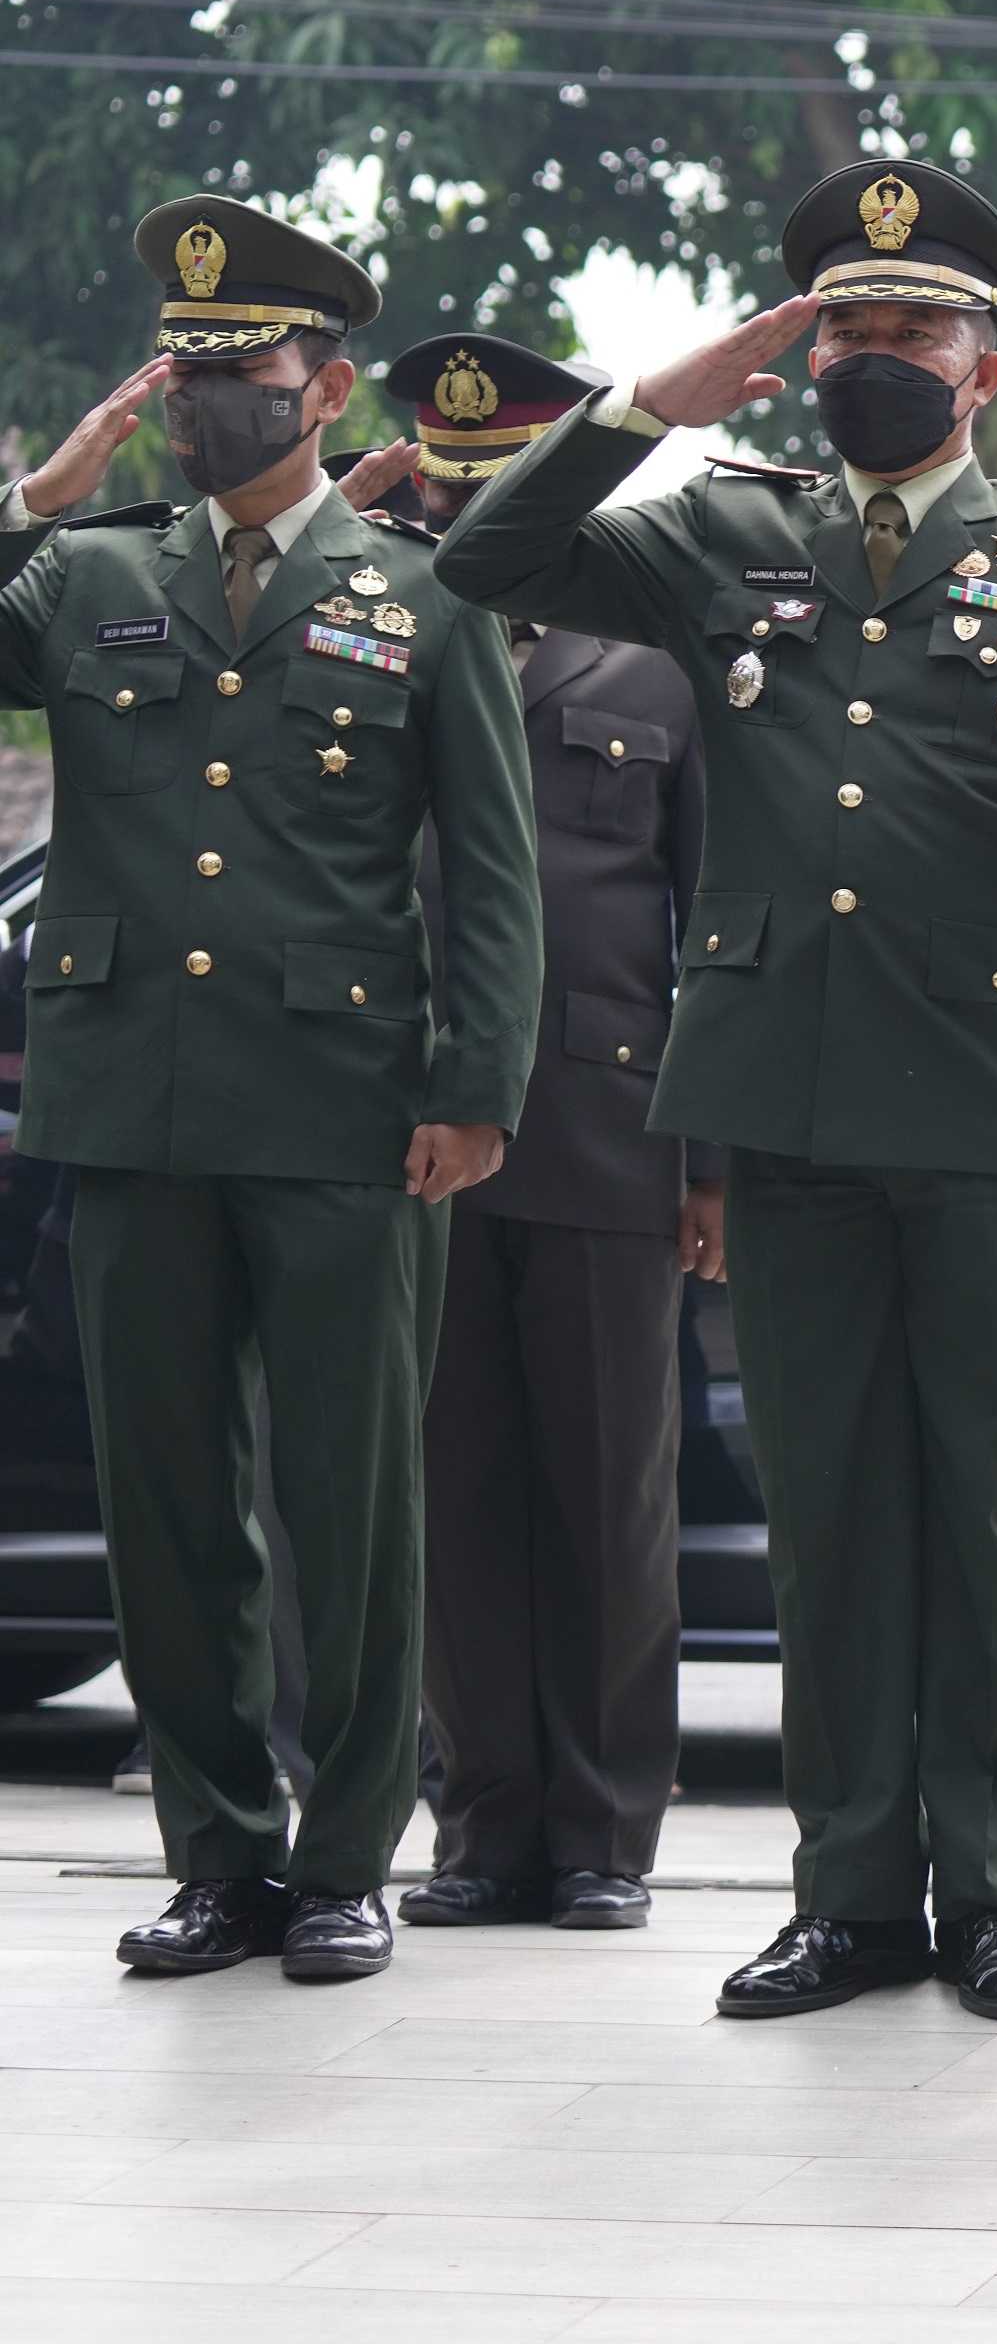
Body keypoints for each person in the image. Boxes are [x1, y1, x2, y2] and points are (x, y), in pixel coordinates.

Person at [434, 157, 997, 2025]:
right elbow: (480, 560)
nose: (880, 354)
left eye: (915, 330)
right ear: (803, 359)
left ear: (987, 368)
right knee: (834, 1511)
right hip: (783, 1096)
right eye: (849, 329)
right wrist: (645, 407)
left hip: (989, 1095)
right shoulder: (719, 523)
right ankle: (849, 1892)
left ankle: (990, 1886)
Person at [0, 203, 539, 1985]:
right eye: (194, 371)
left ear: (329, 384)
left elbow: (495, 869)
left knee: (351, 1499)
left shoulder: (424, 588)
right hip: (135, 1107)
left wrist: (476, 1085)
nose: (215, 397)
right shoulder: (87, 574)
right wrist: (38, 490)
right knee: (166, 1501)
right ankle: (217, 1853)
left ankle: (344, 1860)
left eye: (248, 371)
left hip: (346, 1108)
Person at [352, 335, 717, 1937]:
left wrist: (710, 1159)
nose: (464, 503)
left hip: (604, 1120)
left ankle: (602, 1832)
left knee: (606, 1488)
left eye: (499, 479)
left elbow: (709, 915)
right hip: (405, 1118)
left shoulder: (655, 657)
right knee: (452, 1486)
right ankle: (484, 1820)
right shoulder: (368, 634)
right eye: (445, 482)